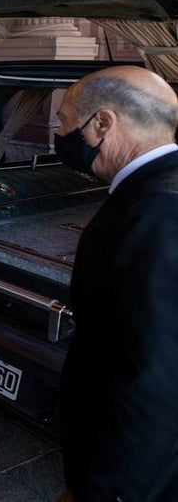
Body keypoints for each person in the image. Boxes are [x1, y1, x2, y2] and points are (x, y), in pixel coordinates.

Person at [54, 66, 178, 502]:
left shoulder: (157, 214)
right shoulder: (155, 189)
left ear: (102, 123)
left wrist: (106, 492)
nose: (60, 135)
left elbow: (155, 378)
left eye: (65, 123)